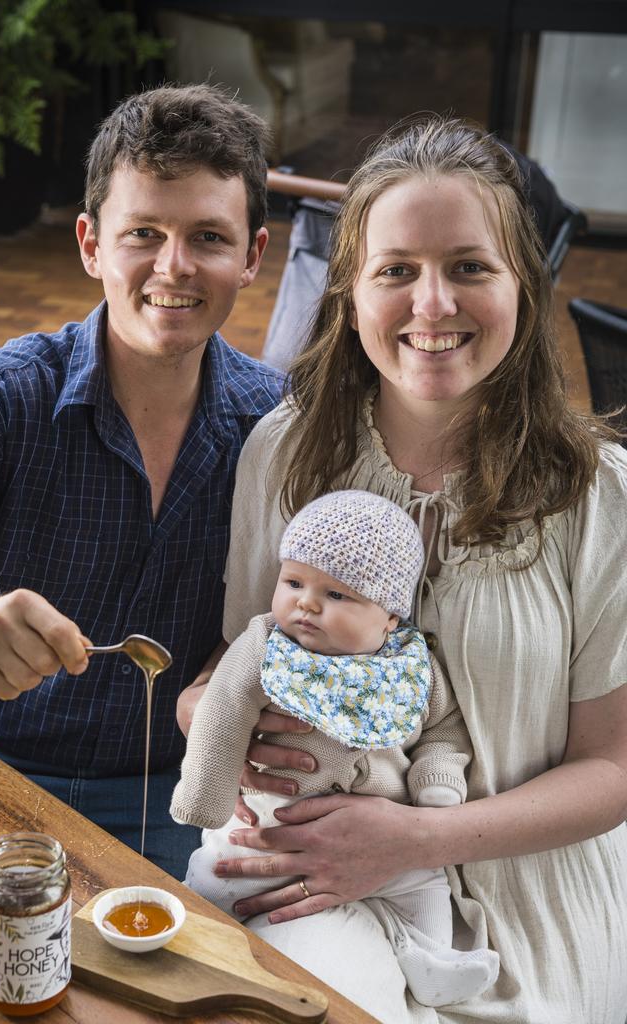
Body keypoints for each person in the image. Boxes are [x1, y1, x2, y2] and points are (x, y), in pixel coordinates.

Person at [176, 115, 627, 1021]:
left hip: (525, 898)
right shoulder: (283, 454)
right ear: (349, 294)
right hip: (306, 873)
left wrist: (416, 836)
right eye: (396, 271)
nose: (432, 305)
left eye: (469, 266)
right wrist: (214, 715)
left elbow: (612, 766)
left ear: (524, 291)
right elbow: (237, 663)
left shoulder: (600, 493)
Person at [0, 84, 283, 879]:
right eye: (144, 233)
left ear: (253, 256)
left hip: (187, 801)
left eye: (208, 237)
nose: (174, 265)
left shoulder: (279, 424)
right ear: (91, 244)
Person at [171, 489, 499, 1008]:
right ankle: (197, 933)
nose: (306, 603)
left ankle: (427, 958)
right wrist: (206, 796)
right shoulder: (265, 647)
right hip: (271, 820)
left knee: (425, 887)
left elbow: (446, 729)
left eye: (338, 595)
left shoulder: (411, 669)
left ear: (389, 618)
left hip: (388, 833)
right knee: (220, 875)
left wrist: (437, 789)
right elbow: (224, 710)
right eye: (294, 582)